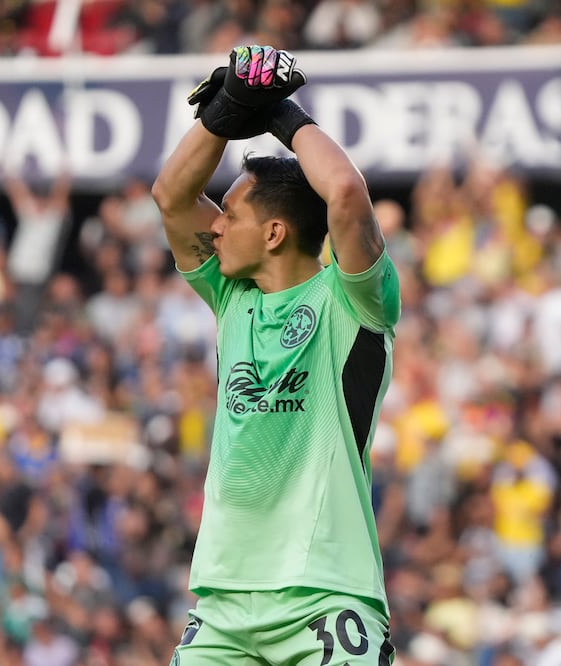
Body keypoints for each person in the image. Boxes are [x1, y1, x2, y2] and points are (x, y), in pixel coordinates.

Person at [151, 45, 401, 665]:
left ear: (274, 232)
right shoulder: (232, 296)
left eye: (228, 213)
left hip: (326, 594)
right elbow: (171, 197)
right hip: (225, 601)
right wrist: (228, 109)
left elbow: (343, 189)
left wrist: (281, 113)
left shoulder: (352, 303)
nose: (213, 226)